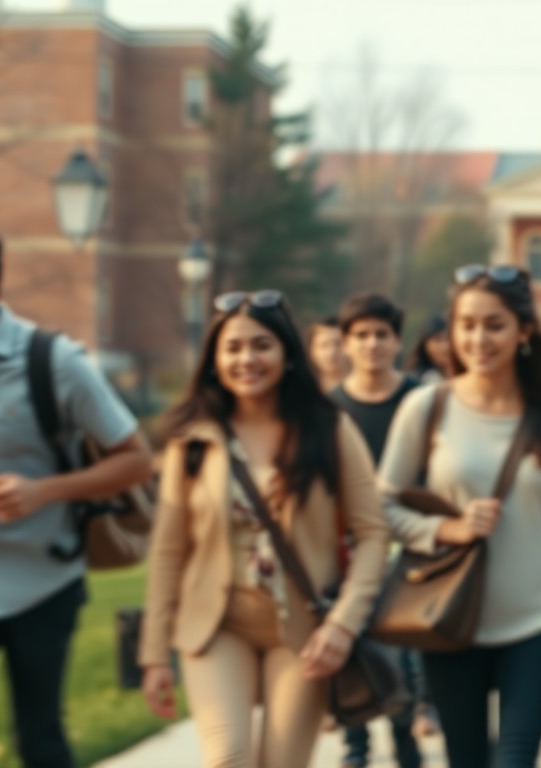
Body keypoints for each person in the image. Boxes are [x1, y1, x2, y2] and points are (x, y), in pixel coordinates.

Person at [0, 215, 154, 768]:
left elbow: (138, 460)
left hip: (41, 580)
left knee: (39, 738)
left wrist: (44, 490)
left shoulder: (55, 361)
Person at [139, 290, 391, 768]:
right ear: (214, 359)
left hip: (302, 633)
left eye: (261, 345)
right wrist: (154, 653)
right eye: (232, 348)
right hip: (216, 624)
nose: (246, 359)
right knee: (227, 759)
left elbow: (373, 533)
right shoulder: (192, 440)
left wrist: (343, 622)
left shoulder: (329, 429)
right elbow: (169, 551)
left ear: (287, 355)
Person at [379, 264, 541, 768]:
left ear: (524, 331)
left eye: (495, 325)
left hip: (540, 622)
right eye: (466, 325)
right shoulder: (427, 407)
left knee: (515, 760)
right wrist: (444, 528)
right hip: (449, 620)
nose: (478, 338)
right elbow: (381, 505)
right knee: (466, 761)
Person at [329, 292, 432, 768]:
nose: (371, 345)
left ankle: (405, 740)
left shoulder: (420, 400)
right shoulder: (328, 410)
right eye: (361, 336)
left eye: (381, 335)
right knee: (351, 650)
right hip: (345, 550)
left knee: (402, 657)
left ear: (397, 341)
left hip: (409, 547)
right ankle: (356, 748)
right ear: (346, 344)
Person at [308, 315, 349, 393]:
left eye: (338, 344)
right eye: (324, 345)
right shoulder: (303, 388)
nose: (332, 352)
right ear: (311, 350)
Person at [407, 314, 452, 384]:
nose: (445, 346)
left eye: (448, 338)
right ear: (425, 345)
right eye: (437, 340)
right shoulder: (417, 380)